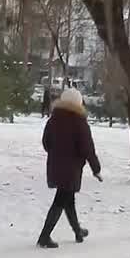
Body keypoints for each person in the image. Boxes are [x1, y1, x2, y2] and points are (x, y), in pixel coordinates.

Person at [38, 87, 101, 248]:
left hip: (55, 165)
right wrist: (96, 168)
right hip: (71, 168)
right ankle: (44, 237)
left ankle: (77, 231)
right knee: (61, 200)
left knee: (68, 200)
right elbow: (87, 148)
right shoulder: (79, 121)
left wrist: (56, 154)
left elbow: (46, 142)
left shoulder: (53, 119)